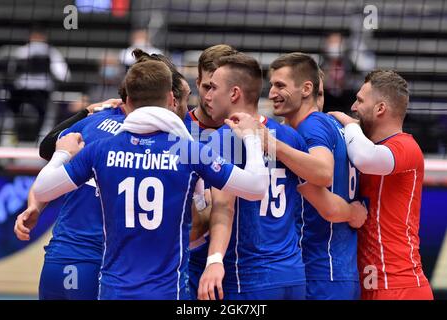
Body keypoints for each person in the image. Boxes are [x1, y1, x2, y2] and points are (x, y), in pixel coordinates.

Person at [31, 59, 268, 300]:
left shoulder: (101, 150)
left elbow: (41, 190)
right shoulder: (188, 151)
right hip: (165, 292)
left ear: (128, 100)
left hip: (113, 291)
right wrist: (251, 138)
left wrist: (61, 153)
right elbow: (256, 188)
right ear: (170, 99)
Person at [14, 51, 191, 300]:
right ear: (167, 96)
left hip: (61, 256)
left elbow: (48, 153)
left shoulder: (94, 122)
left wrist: (35, 206)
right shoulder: (171, 139)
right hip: (110, 264)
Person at [197, 53, 365, 300]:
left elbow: (224, 207)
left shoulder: (222, 139)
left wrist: (213, 260)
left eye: (213, 87)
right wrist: (352, 212)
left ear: (234, 94)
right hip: (293, 275)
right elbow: (318, 187)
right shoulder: (290, 136)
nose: (207, 96)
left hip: (249, 275)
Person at [266, 52, 365, 299]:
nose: (271, 93)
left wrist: (271, 144)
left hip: (322, 270)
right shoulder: (335, 126)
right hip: (339, 268)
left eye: (280, 85)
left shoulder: (312, 126)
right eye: (271, 85)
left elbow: (323, 173)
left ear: (307, 89)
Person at [329, 70, 434, 300]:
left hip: (400, 286)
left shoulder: (406, 147)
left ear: (380, 109)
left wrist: (348, 124)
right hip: (369, 285)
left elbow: (367, 159)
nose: (354, 107)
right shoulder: (359, 149)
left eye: (360, 100)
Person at [183, 44, 238, 300]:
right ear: (197, 82)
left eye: (219, 89)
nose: (211, 96)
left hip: (236, 263)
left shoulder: (250, 133)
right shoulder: (178, 128)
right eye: (207, 87)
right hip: (185, 262)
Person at [7, 24, 70, 143]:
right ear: (30, 37)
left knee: (43, 116)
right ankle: (17, 138)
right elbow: (11, 73)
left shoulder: (51, 53)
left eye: (39, 37)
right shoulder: (22, 52)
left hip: (42, 93)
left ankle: (37, 140)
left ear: (44, 38)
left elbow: (63, 74)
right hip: (22, 92)